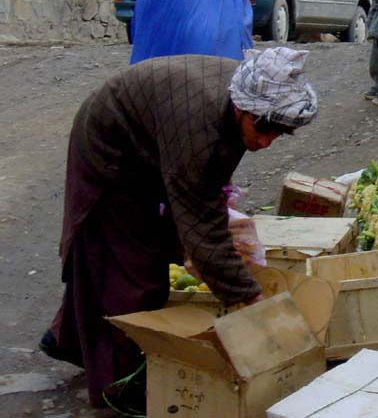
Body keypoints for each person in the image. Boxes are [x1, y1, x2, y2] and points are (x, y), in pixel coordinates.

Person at [39, 46, 317, 409]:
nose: (266, 142)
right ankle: (117, 388)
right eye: (263, 129)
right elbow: (204, 228)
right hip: (110, 149)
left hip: (153, 142)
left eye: (278, 134)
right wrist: (250, 299)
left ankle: (67, 339)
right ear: (241, 108)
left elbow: (204, 194)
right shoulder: (199, 129)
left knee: (147, 249)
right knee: (130, 271)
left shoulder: (239, 103)